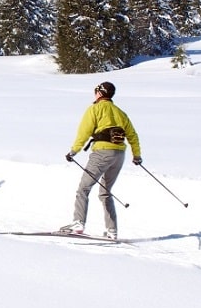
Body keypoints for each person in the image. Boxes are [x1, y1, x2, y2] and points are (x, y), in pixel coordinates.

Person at [60, 82, 141, 240]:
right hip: (119, 155)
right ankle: (112, 231)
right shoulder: (121, 113)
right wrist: (136, 155)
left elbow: (84, 132)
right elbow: (133, 135)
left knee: (83, 188)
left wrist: (74, 151)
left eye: (95, 91)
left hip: (102, 153)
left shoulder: (94, 109)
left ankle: (78, 223)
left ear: (99, 93)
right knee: (105, 192)